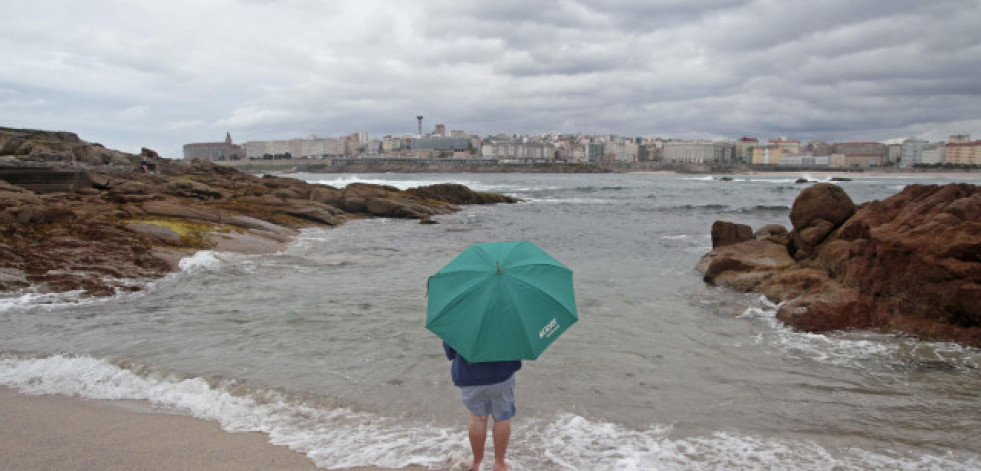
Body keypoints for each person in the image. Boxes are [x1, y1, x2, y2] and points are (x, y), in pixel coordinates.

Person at [444, 341, 521, 471]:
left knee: (477, 418)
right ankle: (499, 464)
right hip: (501, 374)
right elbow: (518, 346)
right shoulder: (508, 321)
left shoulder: (460, 321)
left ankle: (478, 463)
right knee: (502, 418)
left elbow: (450, 352)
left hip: (470, 376)